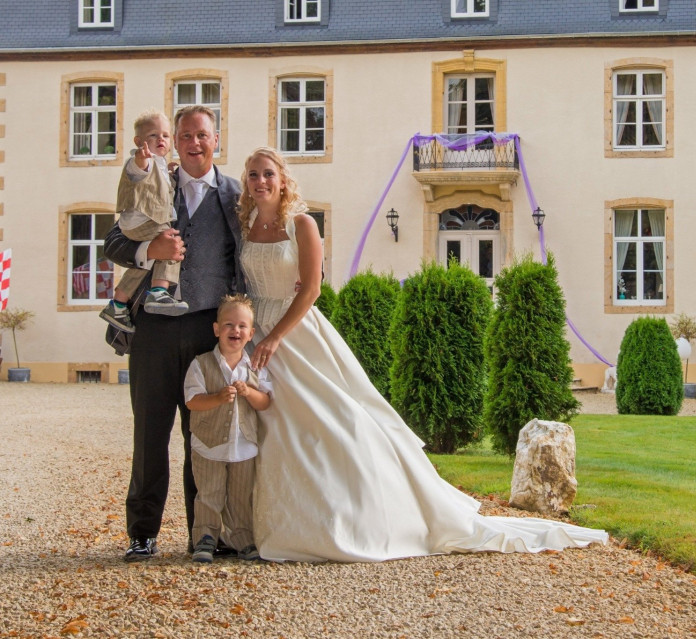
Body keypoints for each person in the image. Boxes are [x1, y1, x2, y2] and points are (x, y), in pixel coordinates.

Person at [238, 147, 608, 562]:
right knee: (269, 426)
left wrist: (275, 338)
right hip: (250, 331)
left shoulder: (301, 224)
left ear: (283, 179)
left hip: (294, 333)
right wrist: (251, 334)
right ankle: (268, 522)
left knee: (331, 421)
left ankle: (345, 518)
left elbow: (311, 289)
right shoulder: (246, 225)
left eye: (268, 173)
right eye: (253, 175)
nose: (261, 181)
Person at [103, 105, 245, 562]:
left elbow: (256, 250)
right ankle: (142, 533)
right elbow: (114, 242)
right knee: (149, 435)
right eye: (186, 135)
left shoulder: (234, 195)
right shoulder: (153, 181)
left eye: (202, 135)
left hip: (208, 331)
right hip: (154, 329)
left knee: (201, 436)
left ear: (216, 140)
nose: (194, 142)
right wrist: (150, 249)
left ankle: (201, 532)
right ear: (175, 140)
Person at [185, 294, 271, 563]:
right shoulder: (200, 364)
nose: (235, 330)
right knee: (209, 493)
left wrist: (249, 393)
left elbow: (265, 402)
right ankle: (205, 538)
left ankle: (242, 537)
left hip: (243, 445)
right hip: (209, 445)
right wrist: (216, 399)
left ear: (251, 333)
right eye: (229, 325)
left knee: (240, 496)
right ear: (216, 329)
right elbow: (192, 401)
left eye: (242, 326)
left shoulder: (255, 366)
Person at [100, 110, 189, 333]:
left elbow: (155, 180)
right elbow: (139, 171)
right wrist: (141, 159)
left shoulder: (159, 163)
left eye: (166, 136)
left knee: (146, 260)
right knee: (173, 245)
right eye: (153, 135)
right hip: (143, 220)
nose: (161, 140)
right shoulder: (141, 161)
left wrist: (167, 171)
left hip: (140, 222)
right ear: (139, 142)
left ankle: (118, 304)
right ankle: (158, 291)